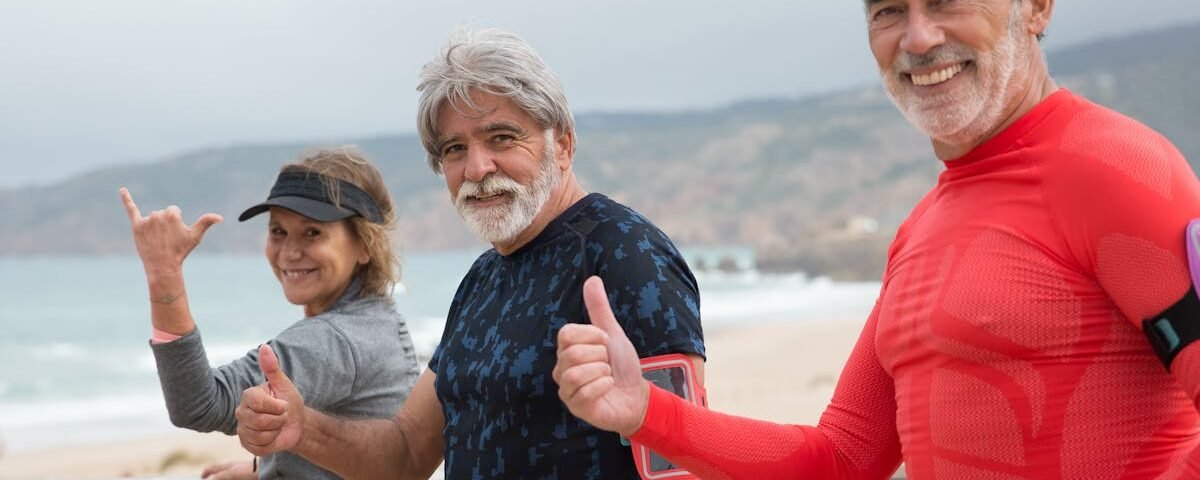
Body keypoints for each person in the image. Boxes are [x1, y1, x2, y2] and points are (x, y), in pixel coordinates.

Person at [554, 0, 1200, 478]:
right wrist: (645, 412)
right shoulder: (919, 233)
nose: (918, 37)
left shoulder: (1120, 172)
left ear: (1034, 8)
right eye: (889, 11)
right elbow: (841, 458)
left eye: (945, 3)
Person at [233, 27, 706, 479]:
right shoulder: (483, 278)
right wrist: (302, 428)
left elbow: (683, 460)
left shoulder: (626, 253)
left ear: (561, 144)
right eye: (455, 149)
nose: (477, 168)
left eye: (501, 138)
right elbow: (405, 454)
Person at [121, 146, 420, 478]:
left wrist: (163, 273)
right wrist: (262, 470)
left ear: (365, 244)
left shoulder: (333, 339)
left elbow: (200, 404)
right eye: (278, 231)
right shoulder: (376, 319)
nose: (290, 252)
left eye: (312, 232)